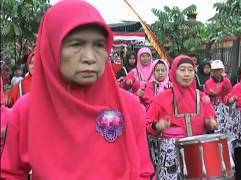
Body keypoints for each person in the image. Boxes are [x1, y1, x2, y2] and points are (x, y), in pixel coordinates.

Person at [1, 1, 154, 179]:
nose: (90, 57)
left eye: (99, 45)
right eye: (75, 45)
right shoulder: (26, 111)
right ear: (51, 46)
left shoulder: (129, 108)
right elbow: (10, 173)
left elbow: (143, 171)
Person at [146, 55, 217, 179]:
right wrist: (157, 126)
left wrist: (211, 123)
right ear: (174, 72)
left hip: (197, 155)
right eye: (182, 69)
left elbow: (212, 119)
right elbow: (147, 123)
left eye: (190, 70)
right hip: (171, 160)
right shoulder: (161, 99)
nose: (187, 74)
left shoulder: (202, 98)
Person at [204, 60, 232, 133]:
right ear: (212, 71)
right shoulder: (208, 82)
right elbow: (205, 96)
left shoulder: (226, 81)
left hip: (224, 107)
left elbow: (229, 93)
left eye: (219, 70)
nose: (217, 72)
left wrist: (226, 99)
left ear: (222, 70)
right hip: (212, 107)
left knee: (225, 126)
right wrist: (210, 94)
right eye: (215, 70)